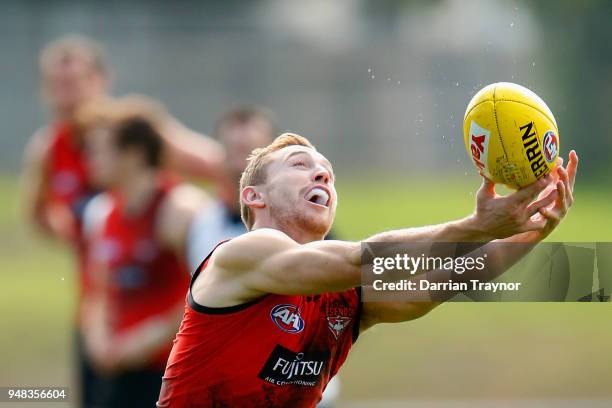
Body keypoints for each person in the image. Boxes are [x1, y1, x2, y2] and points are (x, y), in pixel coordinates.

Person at [157, 133, 578, 407]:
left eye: (328, 173)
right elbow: (358, 258)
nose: (321, 172)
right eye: (299, 165)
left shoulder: (342, 295)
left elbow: (430, 289)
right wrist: (476, 226)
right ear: (254, 196)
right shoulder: (243, 254)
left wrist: (531, 232)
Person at [21, 35, 224, 407]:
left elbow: (221, 167)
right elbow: (35, 212)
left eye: (75, 82)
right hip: (101, 305)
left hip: (161, 312)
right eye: (56, 85)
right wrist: (84, 237)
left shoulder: (134, 133)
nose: (66, 95)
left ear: (101, 81)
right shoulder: (49, 149)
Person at [186, 106, 341, 406]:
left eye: (252, 149)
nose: (242, 160)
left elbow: (382, 280)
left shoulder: (312, 225)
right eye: (234, 150)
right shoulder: (205, 225)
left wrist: (455, 263)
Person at [78, 97, 209, 407]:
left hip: (170, 372)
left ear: (133, 154)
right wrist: (98, 340)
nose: (89, 160)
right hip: (118, 370)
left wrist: (144, 340)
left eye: (99, 150)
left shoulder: (180, 210)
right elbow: (98, 290)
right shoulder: (102, 213)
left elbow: (207, 292)